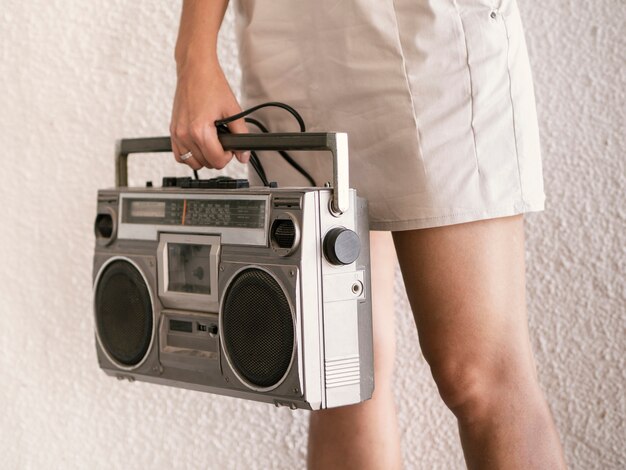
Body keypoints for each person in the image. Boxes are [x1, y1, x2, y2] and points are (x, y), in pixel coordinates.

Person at [170, 0, 567, 468]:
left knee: (478, 374)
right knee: (338, 367)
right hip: (289, 46)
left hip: (432, 37)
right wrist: (193, 57)